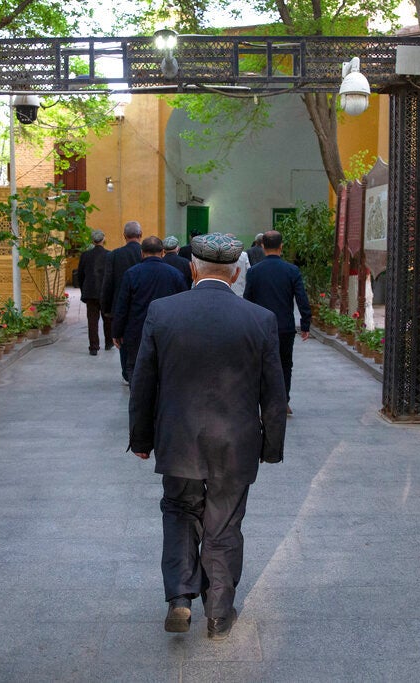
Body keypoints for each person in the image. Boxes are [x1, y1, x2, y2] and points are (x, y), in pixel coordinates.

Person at [129, 233, 288, 641]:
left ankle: (181, 596)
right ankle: (218, 612)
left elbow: (144, 382)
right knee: (225, 524)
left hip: (178, 439)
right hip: (236, 444)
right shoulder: (259, 319)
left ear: (192, 268)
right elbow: (274, 392)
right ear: (235, 273)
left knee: (180, 512)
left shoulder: (163, 313)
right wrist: (270, 447)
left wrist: (142, 439)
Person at [243, 230, 312, 415]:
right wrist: (305, 324)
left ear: (263, 246)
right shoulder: (292, 270)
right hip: (284, 327)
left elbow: (247, 299)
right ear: (281, 246)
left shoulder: (254, 272)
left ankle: (260, 402)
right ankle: (283, 401)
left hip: (259, 326)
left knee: (258, 364)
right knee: (284, 364)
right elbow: (301, 299)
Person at [112, 236, 187, 383]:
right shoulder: (175, 274)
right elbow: (183, 304)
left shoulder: (131, 274)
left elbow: (122, 306)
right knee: (163, 370)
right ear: (162, 252)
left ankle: (139, 401)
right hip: (167, 331)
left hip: (136, 331)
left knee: (135, 369)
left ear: (142, 253)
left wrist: (117, 332)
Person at [101, 221, 143, 377]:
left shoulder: (114, 255)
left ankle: (126, 371)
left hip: (120, 303)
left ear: (124, 236)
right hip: (141, 302)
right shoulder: (144, 253)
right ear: (141, 235)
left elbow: (108, 283)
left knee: (122, 337)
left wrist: (105, 307)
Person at [77, 229, 113, 355]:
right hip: (105, 292)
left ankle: (93, 347)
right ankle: (109, 342)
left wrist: (83, 289)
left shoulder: (85, 255)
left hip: (90, 292)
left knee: (92, 321)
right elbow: (112, 276)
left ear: (92, 241)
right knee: (107, 318)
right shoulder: (110, 255)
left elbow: (80, 275)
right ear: (103, 239)